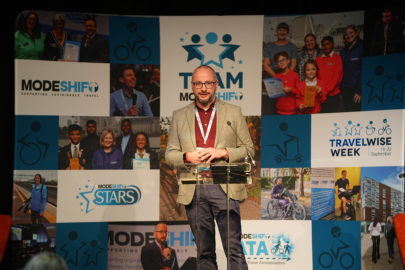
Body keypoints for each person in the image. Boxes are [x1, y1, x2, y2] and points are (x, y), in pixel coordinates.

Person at [165, 65, 253, 270]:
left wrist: (223, 152)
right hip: (194, 188)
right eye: (198, 83)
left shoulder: (233, 111)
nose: (203, 88)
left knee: (233, 249)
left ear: (216, 85)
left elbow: (248, 149)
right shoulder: (179, 115)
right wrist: (186, 156)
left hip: (224, 186)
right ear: (192, 86)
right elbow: (169, 154)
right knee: (203, 252)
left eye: (208, 83)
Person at [315, 36, 344, 113]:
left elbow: (337, 77)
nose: (325, 47)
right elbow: (316, 77)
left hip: (333, 96)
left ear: (333, 44)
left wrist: (325, 90)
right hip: (320, 95)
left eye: (328, 44)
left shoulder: (337, 58)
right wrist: (321, 91)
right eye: (323, 45)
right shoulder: (317, 59)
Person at [340, 25, 363, 112]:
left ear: (356, 33)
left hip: (357, 91)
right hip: (345, 89)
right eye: (346, 34)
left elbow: (364, 71)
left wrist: (360, 90)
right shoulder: (343, 52)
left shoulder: (362, 47)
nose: (349, 35)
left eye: (351, 32)